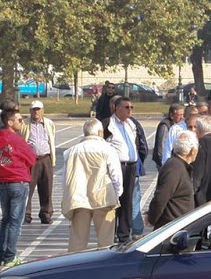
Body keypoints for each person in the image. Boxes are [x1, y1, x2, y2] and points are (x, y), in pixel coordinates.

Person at [63, 118, 122, 253]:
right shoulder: (108, 149)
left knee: (77, 241)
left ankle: (74, 267)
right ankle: (103, 268)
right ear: (100, 132)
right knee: (106, 241)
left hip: (78, 199)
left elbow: (65, 179)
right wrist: (117, 194)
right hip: (103, 197)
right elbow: (116, 176)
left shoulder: (71, 151)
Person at [0, 107, 38, 267]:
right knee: (15, 222)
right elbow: (31, 158)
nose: (22, 122)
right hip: (18, 181)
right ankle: (10, 256)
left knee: (6, 220)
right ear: (10, 122)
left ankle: (0, 255)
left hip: (3, 181)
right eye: (19, 120)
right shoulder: (15, 139)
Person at [105, 95, 149, 244]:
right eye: (126, 107)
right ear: (117, 109)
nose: (129, 110)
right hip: (117, 167)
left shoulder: (131, 124)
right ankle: (110, 233)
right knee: (114, 201)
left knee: (128, 201)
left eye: (131, 107)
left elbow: (139, 144)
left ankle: (124, 234)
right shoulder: (108, 124)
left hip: (131, 167)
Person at [146, 130, 198, 228]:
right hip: (171, 228)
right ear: (192, 151)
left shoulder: (179, 166)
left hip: (178, 225)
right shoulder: (174, 167)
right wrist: (151, 219)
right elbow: (161, 197)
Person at [24, 100, 58, 223]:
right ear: (30, 111)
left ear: (42, 111)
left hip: (45, 159)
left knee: (46, 187)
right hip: (30, 160)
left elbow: (51, 138)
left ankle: (46, 213)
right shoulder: (25, 123)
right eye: (34, 110)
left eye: (38, 109)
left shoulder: (48, 123)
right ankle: (26, 214)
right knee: (28, 188)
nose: (36, 112)